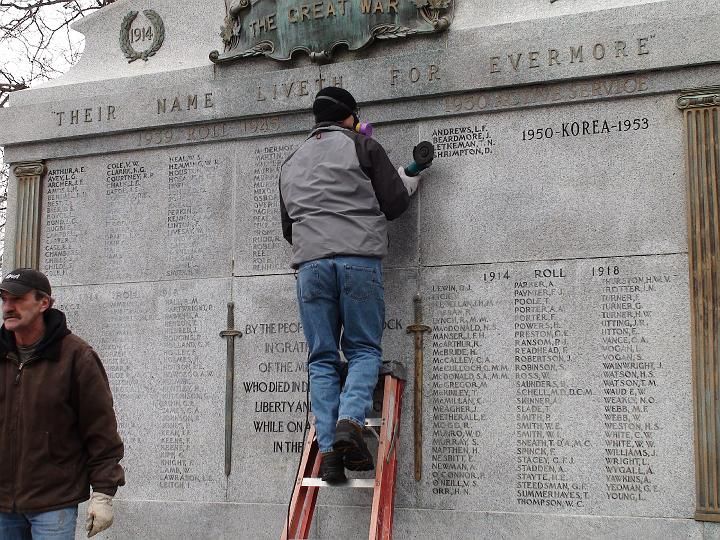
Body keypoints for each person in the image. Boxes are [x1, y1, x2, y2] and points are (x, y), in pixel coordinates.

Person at [279, 87, 420, 483]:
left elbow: (289, 228)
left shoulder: (290, 162)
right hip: (358, 261)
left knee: (322, 358)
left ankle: (328, 455)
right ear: (352, 116)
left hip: (310, 267)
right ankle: (349, 421)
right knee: (362, 350)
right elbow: (394, 205)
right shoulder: (364, 147)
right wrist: (410, 178)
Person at [0, 268, 125, 539]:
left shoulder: (76, 357)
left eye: (18, 299)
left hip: (53, 502)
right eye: (4, 299)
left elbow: (100, 429)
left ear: (44, 302)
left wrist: (103, 493)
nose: (8, 307)